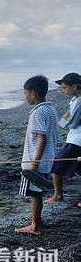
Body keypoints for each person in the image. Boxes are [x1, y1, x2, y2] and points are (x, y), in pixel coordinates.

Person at [16, 75, 59, 236]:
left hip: (36, 161)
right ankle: (38, 221)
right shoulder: (50, 109)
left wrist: (34, 163)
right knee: (38, 192)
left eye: (26, 93)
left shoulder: (37, 113)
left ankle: (35, 226)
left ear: (33, 94)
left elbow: (41, 137)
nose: (25, 96)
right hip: (48, 158)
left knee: (34, 194)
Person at [47, 73, 81, 204]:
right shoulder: (74, 100)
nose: (63, 90)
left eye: (65, 88)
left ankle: (58, 195)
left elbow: (71, 123)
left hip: (76, 140)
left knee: (56, 165)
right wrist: (65, 120)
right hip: (74, 138)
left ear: (75, 87)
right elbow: (66, 119)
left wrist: (63, 121)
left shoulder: (79, 101)